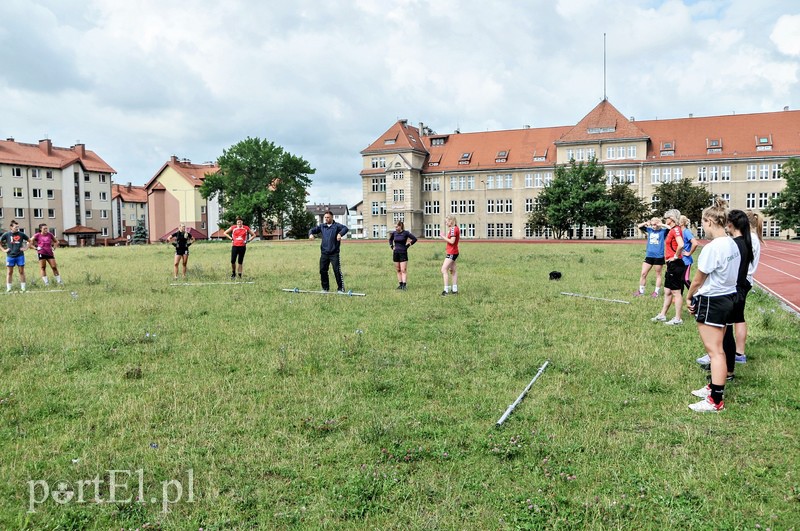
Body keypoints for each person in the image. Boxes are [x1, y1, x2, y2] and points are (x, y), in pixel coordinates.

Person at [686, 198, 740, 412]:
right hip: (727, 298)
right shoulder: (731, 243)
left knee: (715, 351)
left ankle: (716, 400)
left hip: (713, 300)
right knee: (719, 349)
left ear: (709, 221)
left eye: (702, 223)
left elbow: (698, 280)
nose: (702, 227)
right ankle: (713, 388)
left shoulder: (713, 247)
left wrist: (690, 296)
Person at [696, 209, 761, 370]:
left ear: (730, 224)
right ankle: (726, 365)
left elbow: (734, 268)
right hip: (734, 287)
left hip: (730, 289)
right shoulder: (740, 241)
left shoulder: (737, 243)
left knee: (725, 332)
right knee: (729, 327)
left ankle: (724, 367)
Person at [651, 209, 685, 325]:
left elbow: (681, 244)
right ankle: (662, 315)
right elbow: (669, 227)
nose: (665, 220)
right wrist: (662, 224)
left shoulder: (675, 230)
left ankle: (678, 318)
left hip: (676, 264)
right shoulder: (673, 229)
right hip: (671, 265)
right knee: (667, 291)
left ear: (671, 219)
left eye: (667, 218)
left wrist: (675, 256)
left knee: (676, 292)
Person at [309, 211, 349, 292]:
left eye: (328, 217)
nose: (326, 219)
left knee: (337, 271)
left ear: (332, 217)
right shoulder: (322, 226)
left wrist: (340, 234)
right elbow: (312, 230)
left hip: (334, 253)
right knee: (322, 270)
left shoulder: (336, 226)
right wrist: (310, 234)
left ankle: (341, 289)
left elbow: (345, 228)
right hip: (324, 253)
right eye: (325, 217)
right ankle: (325, 289)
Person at [634, 217, 668, 297]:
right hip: (649, 255)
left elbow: (671, 228)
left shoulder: (663, 231)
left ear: (658, 224)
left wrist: (662, 224)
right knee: (643, 274)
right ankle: (641, 291)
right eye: (652, 225)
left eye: (655, 224)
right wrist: (646, 223)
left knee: (658, 275)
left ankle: (656, 292)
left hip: (659, 256)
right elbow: (639, 226)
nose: (653, 226)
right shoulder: (649, 230)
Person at [1, 220, 30, 292]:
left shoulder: (21, 234)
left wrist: (25, 248)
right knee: (9, 272)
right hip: (10, 256)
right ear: (11, 227)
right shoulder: (6, 234)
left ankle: (23, 288)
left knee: (21, 272)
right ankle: (9, 289)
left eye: (18, 227)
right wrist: (4, 250)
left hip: (20, 256)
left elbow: (30, 240)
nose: (17, 228)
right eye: (16, 227)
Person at [389, 221, 417, 290]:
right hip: (396, 253)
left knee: (403, 270)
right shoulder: (394, 233)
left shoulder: (406, 233)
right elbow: (390, 239)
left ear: (400, 226)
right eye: (395, 227)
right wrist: (392, 246)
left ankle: (404, 285)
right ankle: (400, 284)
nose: (395, 228)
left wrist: (408, 245)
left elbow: (414, 239)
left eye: (397, 227)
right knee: (398, 269)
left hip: (403, 253)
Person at [440, 215, 460, 296]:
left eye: (446, 222)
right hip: (454, 252)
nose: (446, 223)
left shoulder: (452, 229)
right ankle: (454, 290)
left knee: (444, 269)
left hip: (452, 252)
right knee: (453, 270)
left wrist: (443, 237)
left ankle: (446, 291)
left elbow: (452, 241)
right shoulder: (456, 228)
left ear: (451, 221)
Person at [679, 215, 699, 290]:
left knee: (685, 279)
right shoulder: (679, 232)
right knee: (679, 280)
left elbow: (695, 243)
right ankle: (679, 298)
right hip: (680, 260)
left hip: (686, 261)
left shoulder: (686, 232)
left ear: (681, 223)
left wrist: (689, 253)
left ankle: (696, 295)